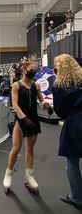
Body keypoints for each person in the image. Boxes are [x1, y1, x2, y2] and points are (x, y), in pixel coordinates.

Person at [3, 60, 53, 194]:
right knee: (16, 147)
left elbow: (41, 100)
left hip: (33, 119)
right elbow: (15, 104)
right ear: (24, 70)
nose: (34, 72)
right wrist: (23, 118)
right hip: (21, 119)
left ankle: (29, 176)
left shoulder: (35, 85)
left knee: (30, 148)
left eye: (35, 70)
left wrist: (46, 106)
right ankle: (8, 174)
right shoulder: (16, 85)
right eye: (31, 70)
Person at [52, 54, 82, 208]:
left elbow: (60, 112)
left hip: (74, 123)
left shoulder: (59, 86)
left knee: (71, 161)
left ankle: (77, 197)